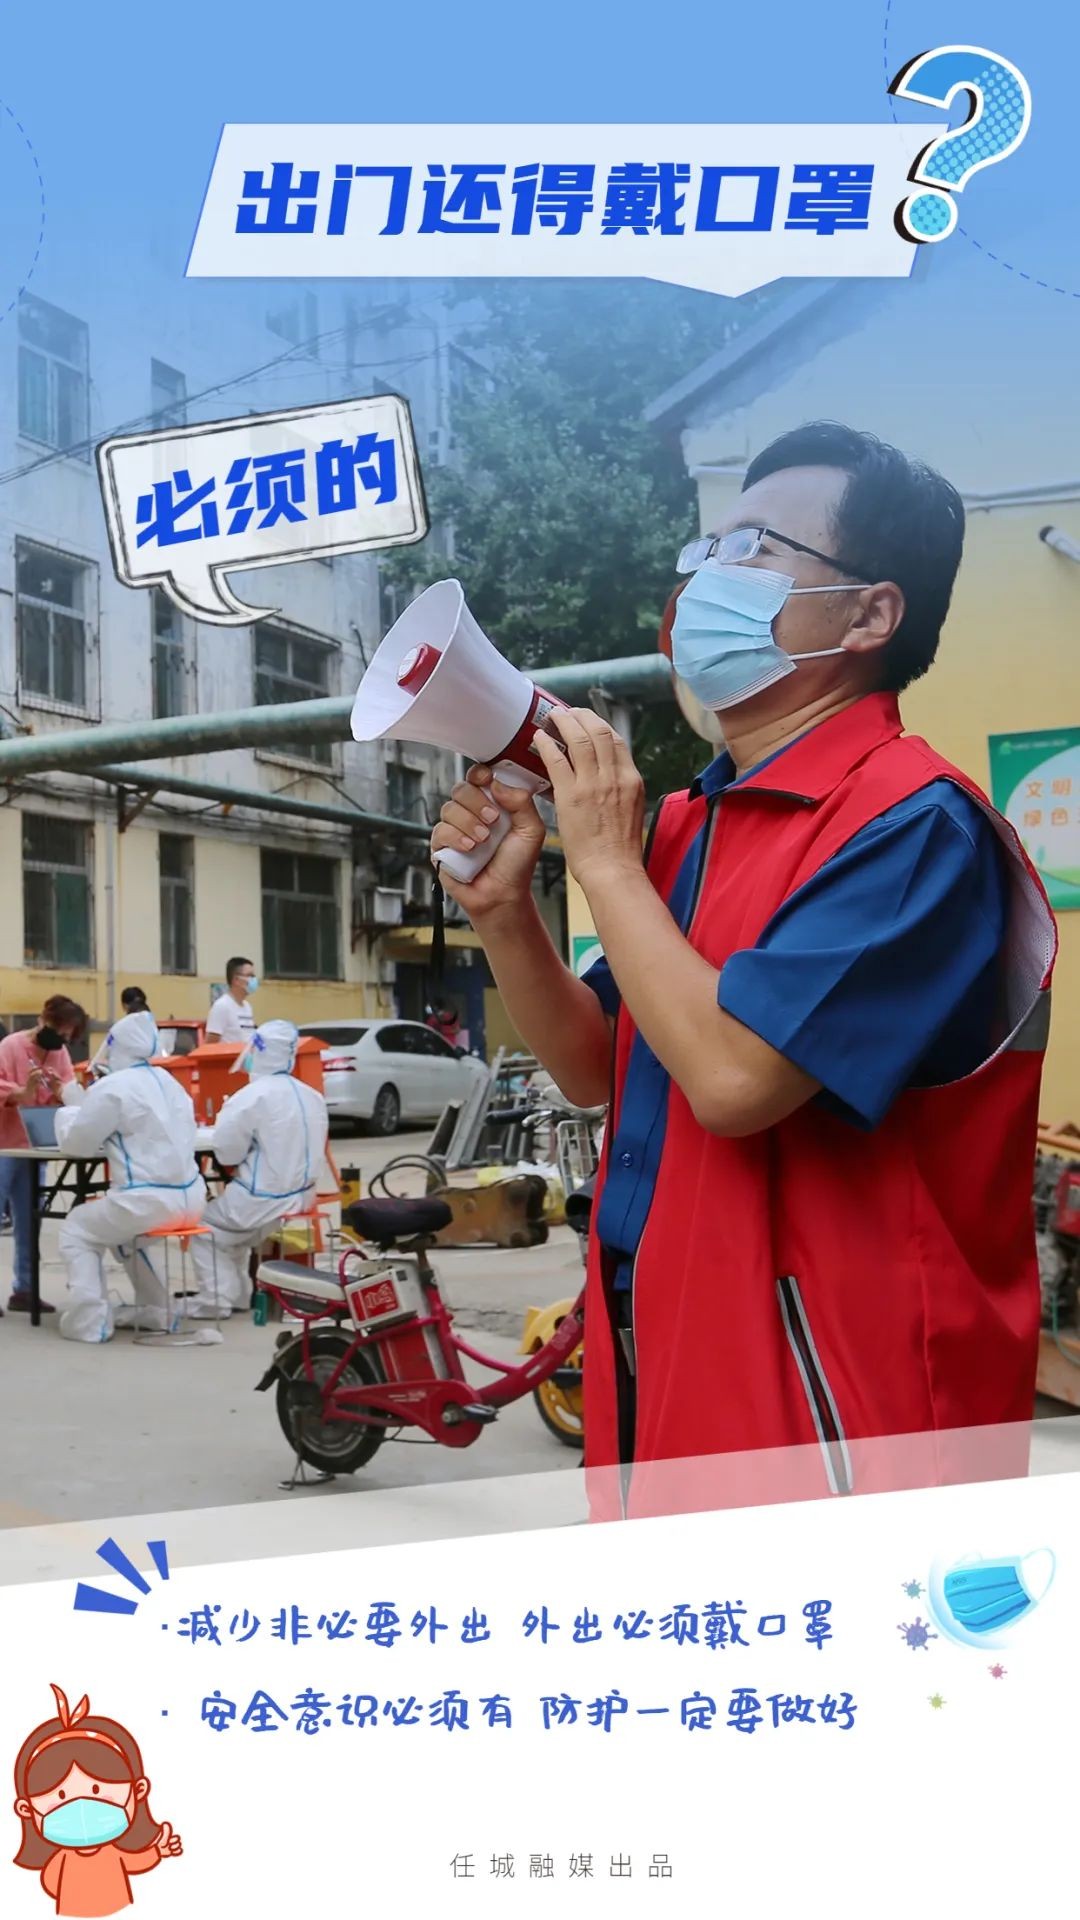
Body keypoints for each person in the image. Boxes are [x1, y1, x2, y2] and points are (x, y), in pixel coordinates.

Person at [431, 422, 1057, 1518]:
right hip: (670, 1341)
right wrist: (506, 916)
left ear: (870, 614)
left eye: (756, 548)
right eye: (709, 549)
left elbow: (733, 1081)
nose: (708, 579)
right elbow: (597, 1065)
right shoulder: (691, 822)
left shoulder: (916, 825)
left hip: (839, 1396)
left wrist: (605, 862)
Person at [54, 1011, 203, 1343]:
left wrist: (72, 1106)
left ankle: (89, 1322)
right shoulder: (169, 1081)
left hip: (147, 1201)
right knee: (125, 1237)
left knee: (77, 1228)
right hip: (191, 1199)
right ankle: (159, 1311)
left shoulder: (113, 1087)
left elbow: (77, 1145)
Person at [189, 1019, 328, 1317]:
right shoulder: (312, 1096)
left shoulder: (251, 1097)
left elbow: (227, 1153)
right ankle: (239, 1296)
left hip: (262, 1199)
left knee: (202, 1227)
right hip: (301, 1199)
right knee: (232, 1232)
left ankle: (215, 1300)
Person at [13, 1683, 182, 1915]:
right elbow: (51, 1882)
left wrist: (158, 1852)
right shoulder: (62, 1859)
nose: (81, 1807)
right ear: (26, 1809)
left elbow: (135, 1862)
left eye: (96, 1790)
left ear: (138, 1790)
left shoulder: (113, 1853)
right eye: (61, 1796)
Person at [0, 997, 87, 1317]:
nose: (60, 1039)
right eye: (57, 1030)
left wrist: (61, 1091)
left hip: (34, 1145)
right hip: (4, 1144)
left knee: (29, 1220)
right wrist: (21, 1093)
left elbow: (66, 1089)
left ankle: (25, 1288)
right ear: (43, 1019)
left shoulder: (59, 1053)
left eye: (66, 1035)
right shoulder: (10, 1046)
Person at [205, 957, 258, 1043]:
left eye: (254, 976)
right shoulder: (222, 1006)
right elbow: (210, 1044)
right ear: (236, 979)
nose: (254, 980)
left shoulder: (247, 1006)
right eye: (250, 976)